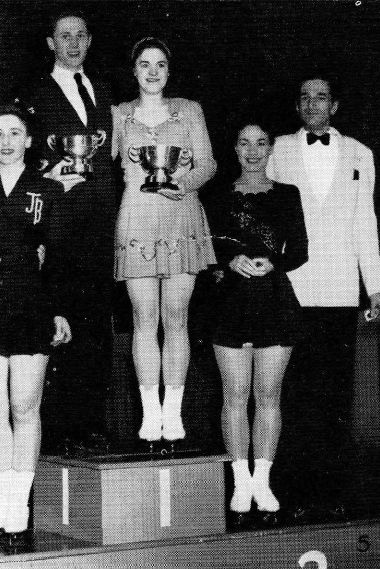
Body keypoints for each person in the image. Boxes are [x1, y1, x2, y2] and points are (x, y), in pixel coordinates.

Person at [267, 72, 380, 513]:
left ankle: (333, 496)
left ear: (334, 106)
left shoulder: (360, 154)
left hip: (338, 290)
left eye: (321, 98)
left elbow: (365, 224)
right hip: (291, 289)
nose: (312, 104)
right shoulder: (276, 150)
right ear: (298, 106)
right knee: (290, 394)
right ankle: (290, 494)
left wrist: (375, 288)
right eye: (305, 98)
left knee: (334, 396)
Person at [0, 102, 71, 534]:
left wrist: (59, 310)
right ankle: (4, 497)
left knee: (25, 408)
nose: (6, 141)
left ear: (29, 140)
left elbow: (59, 257)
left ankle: (18, 504)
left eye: (14, 133)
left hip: (30, 306)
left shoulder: (47, 191)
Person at [112, 37, 217, 443]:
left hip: (181, 215)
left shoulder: (189, 110)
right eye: (144, 64)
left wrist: (184, 183)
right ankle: (149, 412)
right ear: (134, 70)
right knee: (143, 319)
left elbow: (207, 163)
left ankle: (173, 413)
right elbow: (96, 164)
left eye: (160, 65)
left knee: (176, 316)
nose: (152, 72)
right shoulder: (119, 114)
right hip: (136, 219)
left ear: (169, 71)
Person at [210, 120, 308, 522]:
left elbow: (299, 249)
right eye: (245, 142)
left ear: (270, 149)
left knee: (268, 394)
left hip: (274, 302)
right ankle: (241, 482)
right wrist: (228, 260)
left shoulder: (287, 194)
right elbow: (205, 246)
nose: (253, 150)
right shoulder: (215, 196)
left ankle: (263, 480)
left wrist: (273, 262)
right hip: (228, 303)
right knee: (235, 393)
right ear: (234, 148)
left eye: (261, 143)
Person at [28, 10, 116, 446]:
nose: (74, 43)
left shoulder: (103, 89)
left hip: (101, 222)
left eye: (81, 35)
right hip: (59, 224)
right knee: (61, 321)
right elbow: (21, 159)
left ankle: (92, 423)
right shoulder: (34, 93)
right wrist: (51, 170)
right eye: (65, 36)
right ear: (51, 43)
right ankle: (61, 429)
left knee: (98, 322)